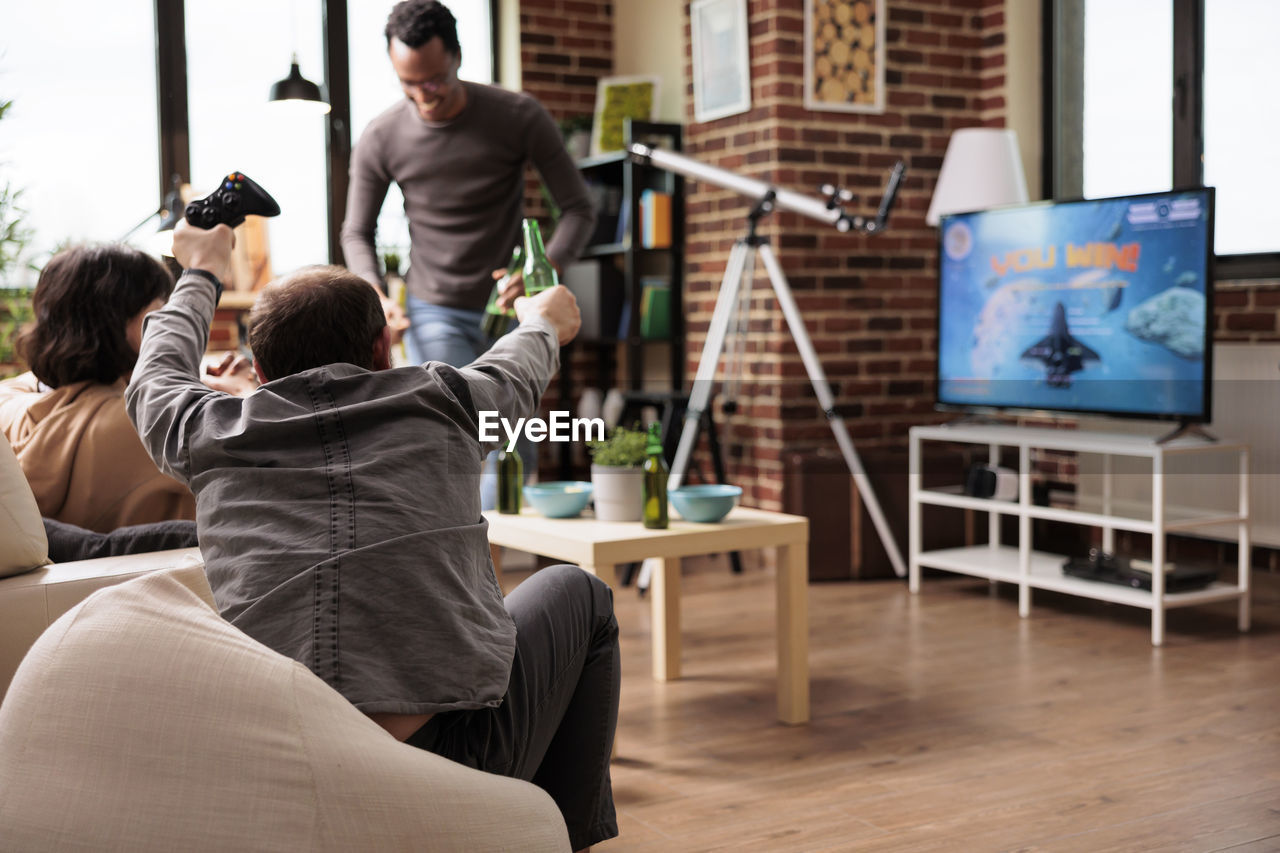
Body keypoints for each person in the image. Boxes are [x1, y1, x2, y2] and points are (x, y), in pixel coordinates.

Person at [126, 220, 619, 852]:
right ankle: (555, 840)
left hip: (282, 769)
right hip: (449, 763)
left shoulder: (205, 430)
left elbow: (157, 371)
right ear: (383, 348)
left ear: (262, 366)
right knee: (577, 592)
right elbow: (521, 363)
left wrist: (200, 271)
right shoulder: (450, 402)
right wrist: (543, 318)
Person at [339, 0, 596, 506]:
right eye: (407, 83)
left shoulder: (517, 116)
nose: (421, 94)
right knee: (462, 429)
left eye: (432, 80)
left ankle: (500, 573)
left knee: (515, 441)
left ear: (456, 56)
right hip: (435, 306)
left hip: (511, 309)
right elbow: (355, 233)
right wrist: (373, 291)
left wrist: (544, 269)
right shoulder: (382, 135)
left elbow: (578, 209)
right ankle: (467, 570)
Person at [0, 243, 251, 533]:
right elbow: (252, 441)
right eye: (160, 313)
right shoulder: (143, 428)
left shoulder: (15, 406)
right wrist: (241, 390)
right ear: (115, 322)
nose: (165, 326)